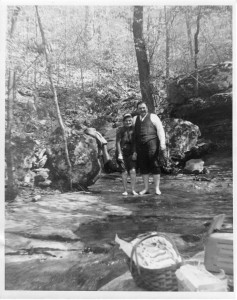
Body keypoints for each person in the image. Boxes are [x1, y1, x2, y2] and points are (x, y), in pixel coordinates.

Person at [132, 101, 167, 195]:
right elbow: (134, 135)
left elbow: (160, 131)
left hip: (153, 144)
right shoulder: (135, 119)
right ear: (137, 109)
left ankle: (157, 189)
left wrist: (163, 145)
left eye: (143, 107)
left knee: (155, 165)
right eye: (140, 108)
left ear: (147, 107)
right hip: (140, 146)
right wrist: (134, 150)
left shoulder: (153, 117)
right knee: (143, 167)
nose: (142, 109)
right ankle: (146, 188)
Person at [116, 113, 137, 196]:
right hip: (122, 152)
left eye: (129, 120)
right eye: (126, 121)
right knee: (124, 172)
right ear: (123, 122)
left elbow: (135, 142)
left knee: (133, 171)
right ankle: (125, 190)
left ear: (132, 120)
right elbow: (117, 142)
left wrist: (135, 153)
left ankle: (133, 190)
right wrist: (119, 154)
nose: (128, 122)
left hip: (132, 153)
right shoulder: (120, 130)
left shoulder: (134, 130)